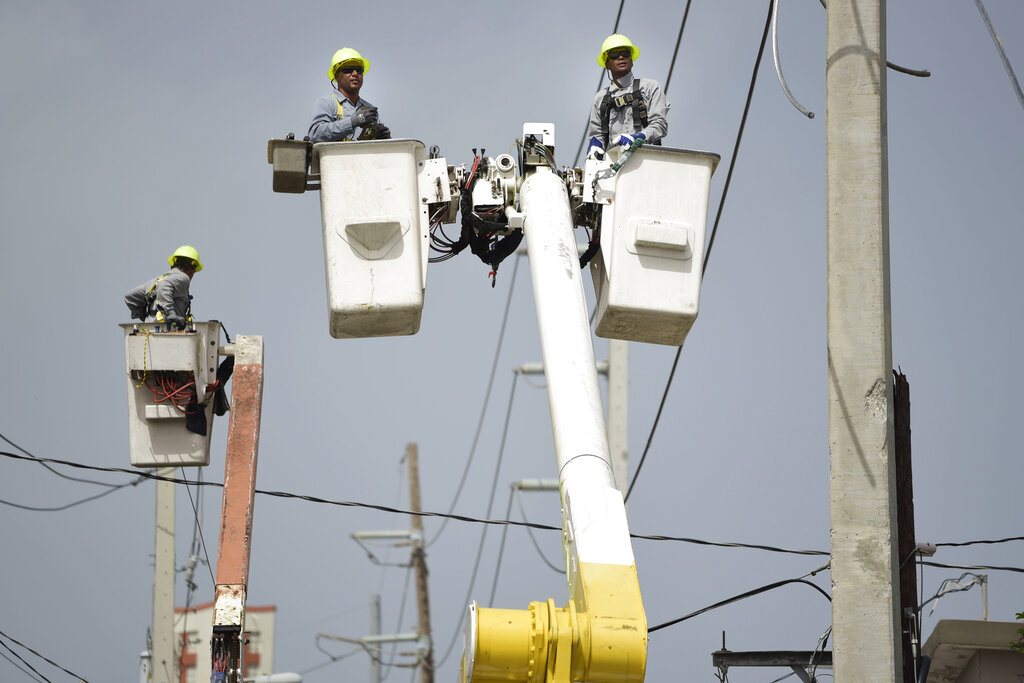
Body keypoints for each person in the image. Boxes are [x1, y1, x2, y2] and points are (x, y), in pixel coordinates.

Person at [586, 34, 669, 158]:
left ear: (632, 60)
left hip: (647, 160)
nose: (620, 57)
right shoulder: (601, 98)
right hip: (613, 166)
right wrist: (595, 146)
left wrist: (638, 137)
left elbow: (659, 124)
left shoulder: (650, 87)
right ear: (607, 64)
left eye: (625, 53)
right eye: (614, 55)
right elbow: (597, 135)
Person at [308, 47, 392, 143]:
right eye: (348, 69)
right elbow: (316, 134)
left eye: (359, 70)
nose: (355, 73)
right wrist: (352, 122)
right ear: (336, 75)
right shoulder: (326, 103)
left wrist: (384, 139)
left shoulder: (368, 109)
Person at [124, 245, 202, 330]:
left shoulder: (156, 281)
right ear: (192, 271)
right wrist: (171, 316)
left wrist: (146, 319)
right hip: (168, 332)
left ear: (172, 265)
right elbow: (164, 288)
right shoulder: (183, 278)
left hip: (148, 332)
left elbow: (130, 297)